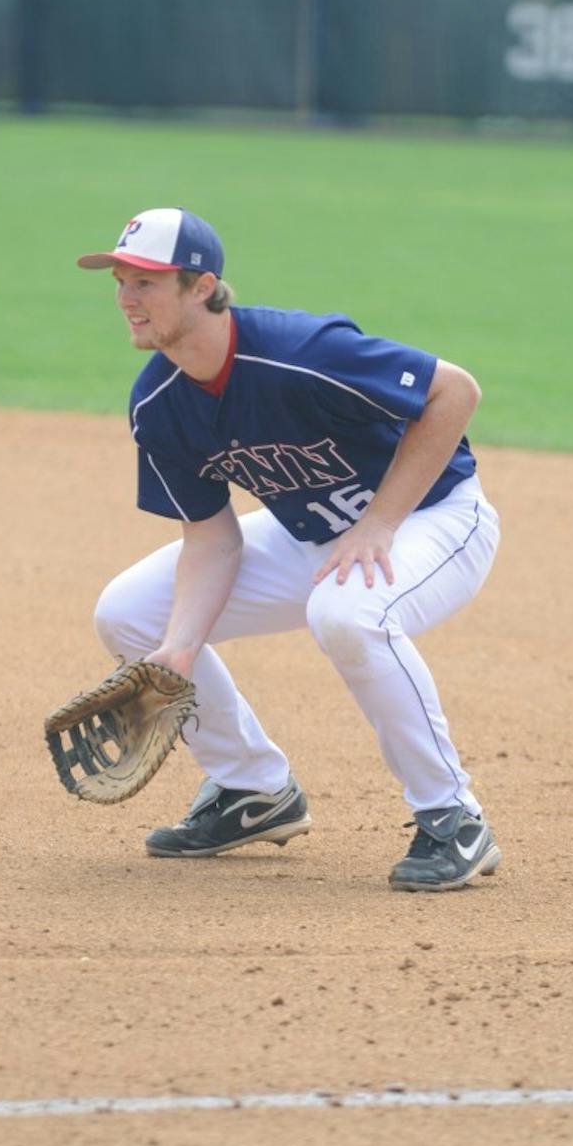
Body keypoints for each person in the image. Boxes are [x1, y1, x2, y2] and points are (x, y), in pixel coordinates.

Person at [78, 206, 502, 892]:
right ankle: (252, 791)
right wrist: (178, 651)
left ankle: (453, 816)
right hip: (314, 535)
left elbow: (455, 392)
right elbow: (211, 539)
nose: (127, 299)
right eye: (121, 281)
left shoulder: (299, 352)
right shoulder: (158, 402)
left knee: (345, 614)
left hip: (434, 518)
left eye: (146, 282)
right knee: (128, 612)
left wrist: (380, 522)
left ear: (201, 285)